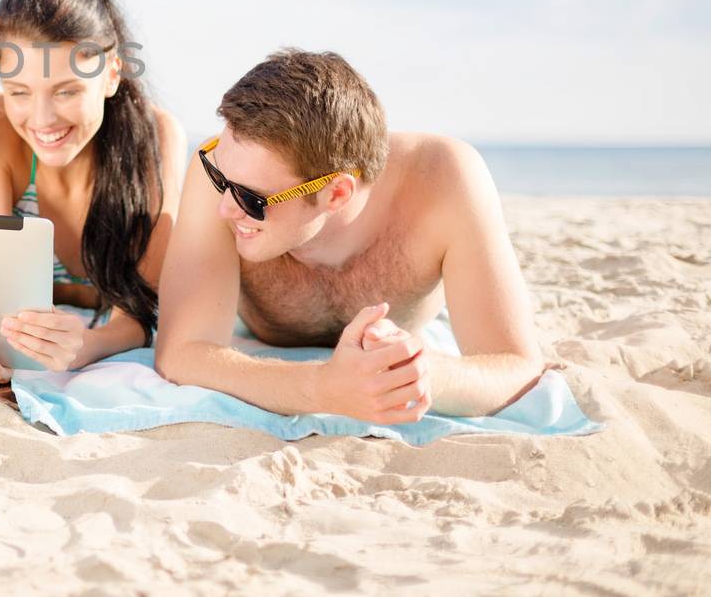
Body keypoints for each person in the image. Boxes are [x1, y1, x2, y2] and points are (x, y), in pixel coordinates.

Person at [154, 49, 546, 421]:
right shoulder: (227, 174)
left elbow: (515, 366)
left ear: (336, 193)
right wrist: (321, 388)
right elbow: (180, 353)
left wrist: (418, 372)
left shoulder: (444, 179)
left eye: (252, 199)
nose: (225, 207)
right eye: (219, 177)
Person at [0, 0, 185, 386]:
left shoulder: (156, 136)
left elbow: (141, 313)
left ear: (112, 74)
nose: (42, 120)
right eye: (19, 92)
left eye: (66, 92)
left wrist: (85, 346)